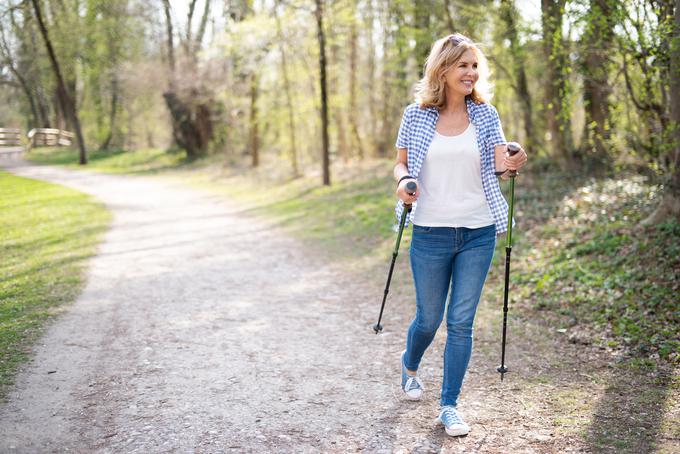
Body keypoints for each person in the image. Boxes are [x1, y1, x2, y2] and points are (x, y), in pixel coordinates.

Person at [393, 33, 528, 437]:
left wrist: (514, 161)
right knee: (429, 319)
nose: (471, 73)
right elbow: (399, 165)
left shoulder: (487, 115)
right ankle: (410, 364)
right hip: (431, 231)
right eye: (463, 65)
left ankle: (449, 404)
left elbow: (501, 168)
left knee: (461, 322)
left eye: (474, 66)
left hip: (478, 230)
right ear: (443, 69)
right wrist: (404, 184)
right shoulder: (415, 115)